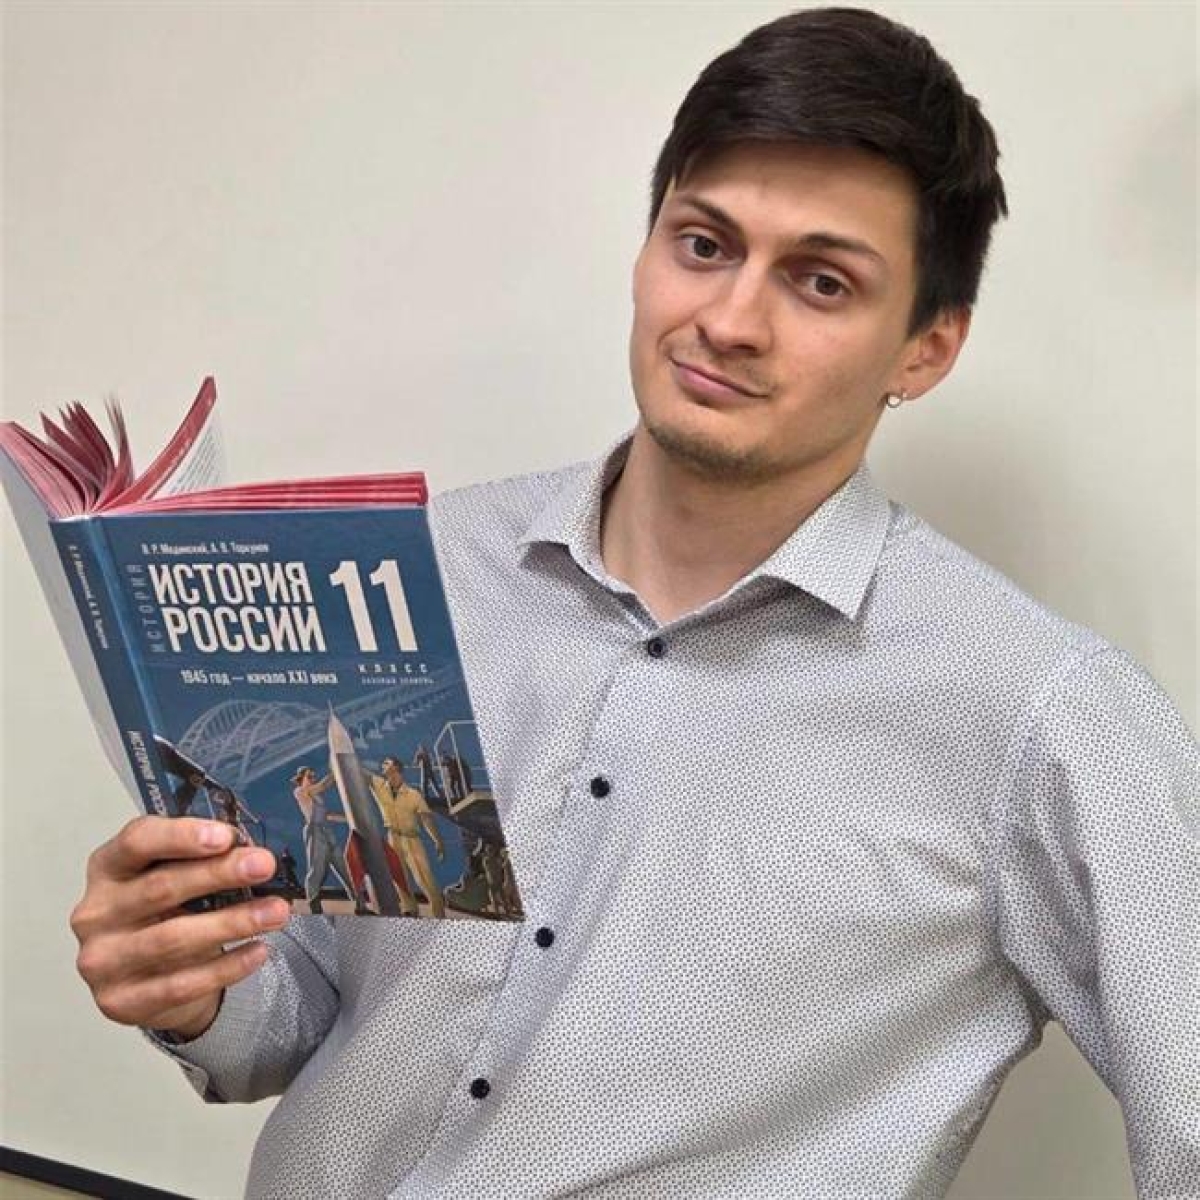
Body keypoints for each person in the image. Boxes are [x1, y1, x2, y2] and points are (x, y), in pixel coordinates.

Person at [67, 8, 1197, 1198]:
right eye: (704, 244)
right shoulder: (424, 574)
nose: (731, 321)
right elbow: (298, 1019)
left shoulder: (1037, 717)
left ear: (927, 348)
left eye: (821, 282)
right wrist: (194, 983)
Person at [369, 756, 447, 919]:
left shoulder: (413, 795)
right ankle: (410, 910)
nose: (383, 765)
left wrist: (437, 840)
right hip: (392, 838)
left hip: (411, 840)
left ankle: (439, 915)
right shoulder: (379, 785)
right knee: (399, 877)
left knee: (425, 880)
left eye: (386, 762)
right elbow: (360, 772)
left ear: (396, 768)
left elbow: (426, 819)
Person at [290, 765, 355, 915]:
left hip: (327, 831)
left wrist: (348, 819)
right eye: (309, 776)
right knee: (316, 870)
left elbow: (328, 816)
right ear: (301, 779)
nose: (312, 779)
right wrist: (336, 771)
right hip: (315, 831)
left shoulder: (317, 797)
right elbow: (323, 786)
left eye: (313, 776)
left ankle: (360, 904)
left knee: (344, 869)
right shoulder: (300, 791)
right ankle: (315, 908)